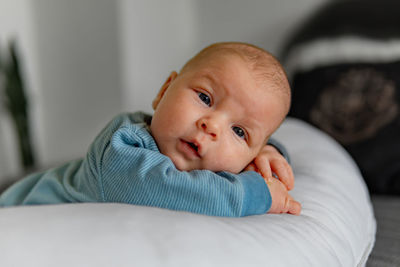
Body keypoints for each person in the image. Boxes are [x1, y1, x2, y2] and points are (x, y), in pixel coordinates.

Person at [0, 42, 301, 217]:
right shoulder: (120, 150)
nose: (212, 126)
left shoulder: (213, 152)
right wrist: (258, 194)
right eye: (205, 98)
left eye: (239, 132)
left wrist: (268, 153)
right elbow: (180, 191)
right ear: (164, 90)